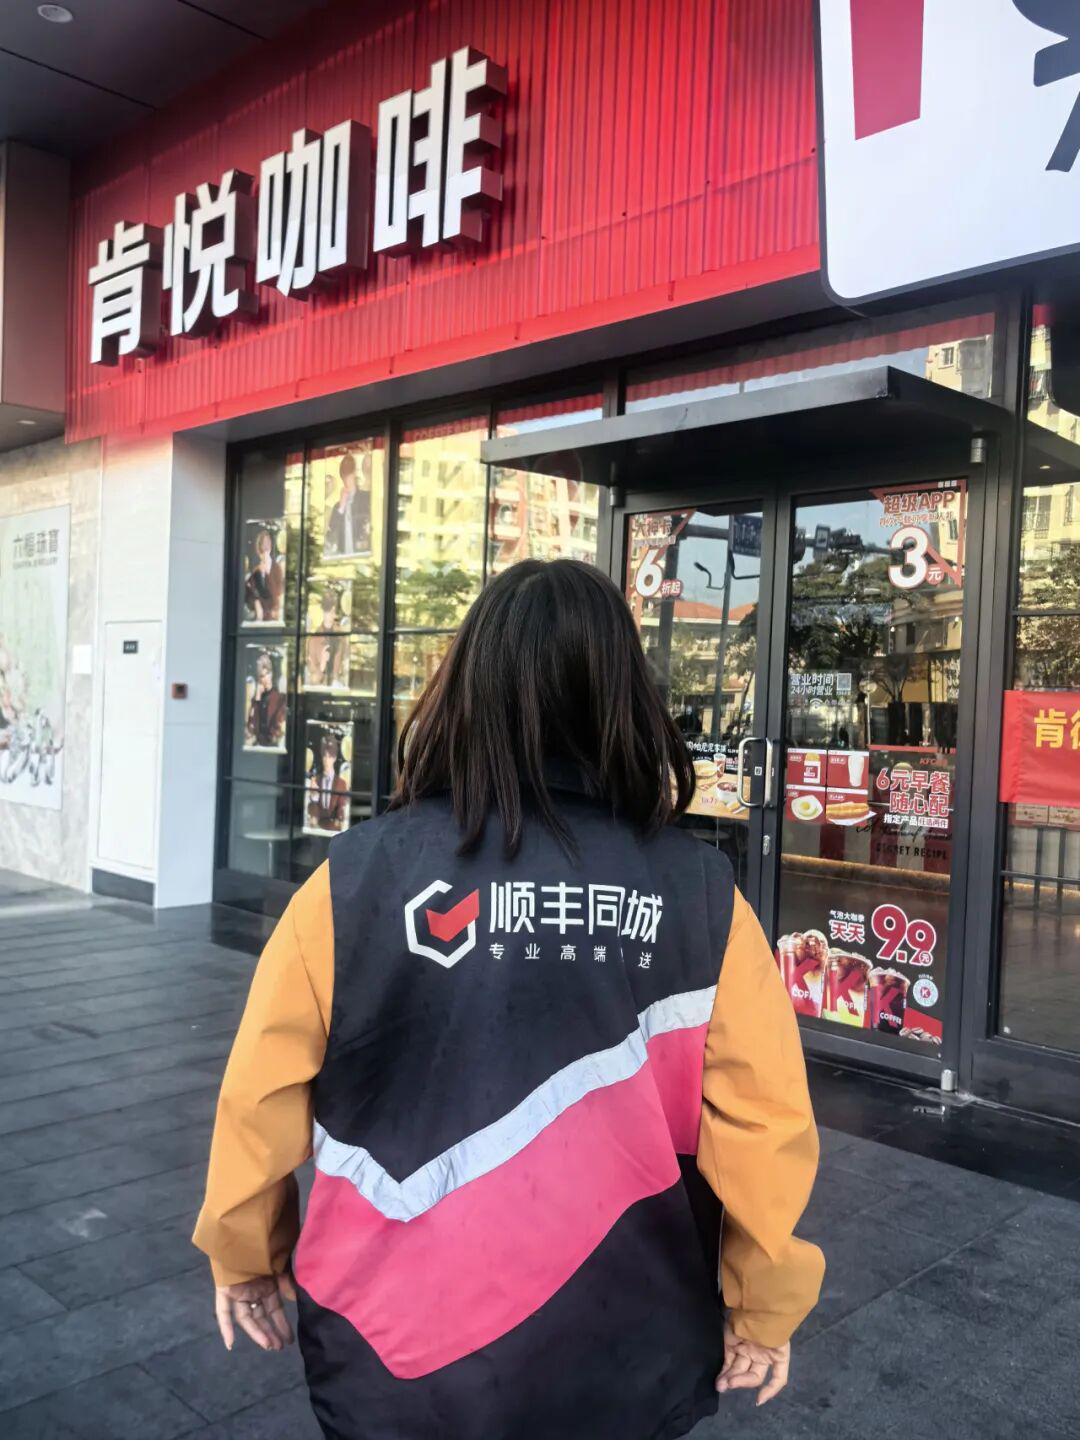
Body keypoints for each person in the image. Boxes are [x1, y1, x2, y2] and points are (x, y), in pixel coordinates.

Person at [194, 559, 824, 1440]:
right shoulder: (701, 895)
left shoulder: (353, 880)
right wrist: (763, 1309)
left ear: (464, 689)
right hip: (625, 1340)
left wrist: (244, 1254)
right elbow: (765, 1125)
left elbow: (258, 1096)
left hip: (389, 1348)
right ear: (626, 699)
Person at [323, 452, 372, 558]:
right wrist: (341, 507)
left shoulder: (366, 498)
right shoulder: (337, 507)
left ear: (354, 473)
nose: (347, 478)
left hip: (363, 557)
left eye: (349, 472)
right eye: (344, 473)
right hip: (344, 559)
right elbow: (331, 536)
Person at [305, 729, 349, 832]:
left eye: (329, 756)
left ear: (334, 758)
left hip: (334, 830)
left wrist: (339, 821)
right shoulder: (315, 780)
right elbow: (312, 814)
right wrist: (314, 797)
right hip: (317, 829)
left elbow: (341, 811)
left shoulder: (341, 783)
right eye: (324, 755)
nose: (326, 759)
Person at [244, 650, 286, 749]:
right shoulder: (257, 700)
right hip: (258, 744)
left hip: (272, 744)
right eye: (261, 676)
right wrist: (257, 699)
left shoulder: (280, 698)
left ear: (271, 674)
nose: (265, 679)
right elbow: (251, 726)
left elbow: (278, 726)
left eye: (267, 674)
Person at [244, 527, 285, 623]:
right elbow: (250, 593)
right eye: (264, 544)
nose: (266, 546)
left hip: (275, 617)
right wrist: (256, 603)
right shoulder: (256, 571)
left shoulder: (277, 568)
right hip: (261, 617)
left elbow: (278, 592)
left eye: (268, 543)